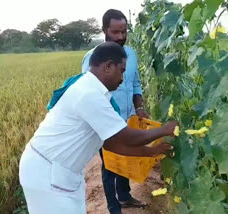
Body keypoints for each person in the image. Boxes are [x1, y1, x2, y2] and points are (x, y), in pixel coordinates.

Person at [19, 42, 177, 214]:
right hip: (46, 173)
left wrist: (151, 152)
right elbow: (127, 138)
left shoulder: (95, 91)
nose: (123, 78)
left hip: (56, 171)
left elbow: (111, 144)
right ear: (108, 66)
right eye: (122, 71)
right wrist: (166, 129)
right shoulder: (89, 94)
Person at [81, 9, 148, 214]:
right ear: (104, 31)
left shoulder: (132, 55)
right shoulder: (93, 58)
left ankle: (125, 196)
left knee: (126, 159)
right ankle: (113, 207)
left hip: (127, 119)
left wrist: (140, 107)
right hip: (106, 122)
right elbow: (89, 94)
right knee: (110, 165)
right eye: (115, 32)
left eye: (124, 31)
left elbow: (135, 84)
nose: (120, 37)